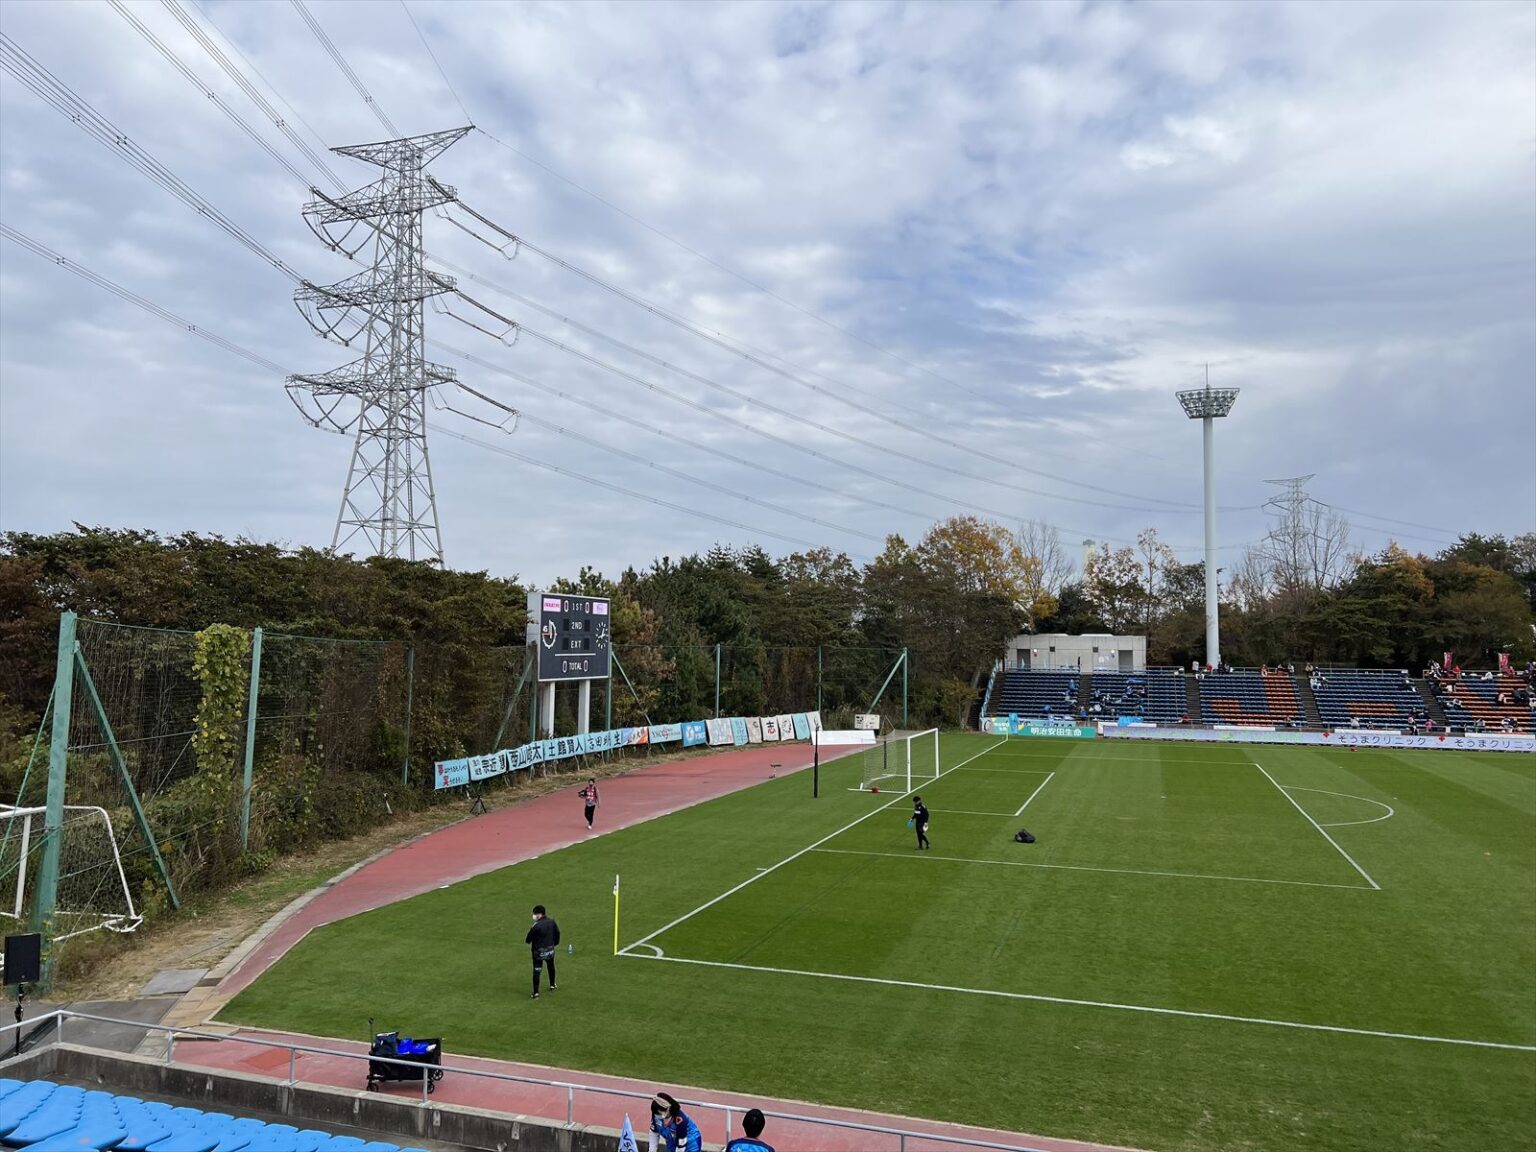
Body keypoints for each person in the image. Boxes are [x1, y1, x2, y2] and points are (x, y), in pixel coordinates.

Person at [525, 904, 560, 999]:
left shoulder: (536, 926)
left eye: (535, 914)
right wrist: (554, 944)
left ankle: (536, 993)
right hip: (550, 951)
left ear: (539, 914)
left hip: (538, 953)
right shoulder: (552, 922)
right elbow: (557, 933)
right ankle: (552, 985)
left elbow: (528, 940)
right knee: (551, 966)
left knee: (537, 971)